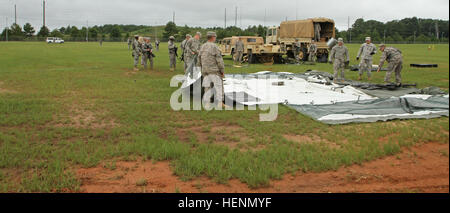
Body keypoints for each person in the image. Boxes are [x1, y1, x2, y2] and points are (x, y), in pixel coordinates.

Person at [198, 31, 226, 109]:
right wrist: (222, 70)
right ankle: (220, 103)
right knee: (219, 86)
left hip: (204, 70)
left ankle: (207, 103)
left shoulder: (202, 46)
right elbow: (219, 60)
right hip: (214, 70)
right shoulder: (214, 47)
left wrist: (201, 67)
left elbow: (199, 59)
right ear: (213, 37)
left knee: (207, 87)